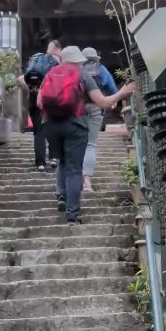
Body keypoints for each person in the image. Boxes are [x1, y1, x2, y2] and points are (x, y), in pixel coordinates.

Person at [38, 45, 134, 224]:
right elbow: (103, 102)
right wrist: (123, 92)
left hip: (50, 125)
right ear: (77, 62)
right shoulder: (82, 75)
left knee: (63, 161)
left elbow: (39, 103)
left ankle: (61, 196)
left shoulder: (50, 74)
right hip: (75, 125)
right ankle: (72, 215)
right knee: (74, 169)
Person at [18, 40, 62, 169]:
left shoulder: (35, 61)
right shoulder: (56, 62)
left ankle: (40, 163)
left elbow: (20, 79)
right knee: (53, 128)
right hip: (51, 98)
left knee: (38, 131)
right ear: (57, 48)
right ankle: (54, 158)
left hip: (34, 96)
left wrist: (32, 89)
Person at [81, 47, 118, 192]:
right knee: (90, 145)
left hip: (79, 110)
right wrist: (113, 101)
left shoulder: (78, 70)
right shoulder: (101, 69)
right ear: (96, 58)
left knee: (77, 143)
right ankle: (87, 182)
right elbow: (113, 89)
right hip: (97, 107)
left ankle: (74, 179)